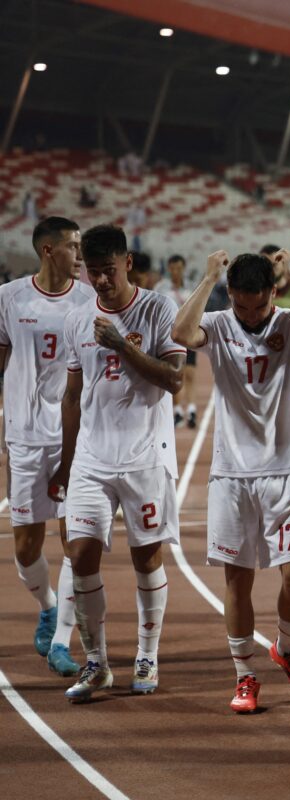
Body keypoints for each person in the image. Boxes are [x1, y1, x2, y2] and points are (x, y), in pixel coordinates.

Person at [172, 247, 290, 712]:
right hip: (232, 473)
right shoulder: (222, 322)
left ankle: (286, 648)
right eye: (242, 305)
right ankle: (245, 675)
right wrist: (208, 280)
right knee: (237, 579)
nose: (250, 316)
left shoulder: (289, 322)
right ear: (232, 296)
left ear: (273, 292)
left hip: (285, 470)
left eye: (259, 305)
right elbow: (181, 333)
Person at [52, 224, 186, 702]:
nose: (101, 281)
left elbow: (174, 380)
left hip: (145, 457)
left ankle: (147, 655)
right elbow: (72, 394)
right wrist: (65, 464)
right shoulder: (76, 319)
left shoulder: (157, 308)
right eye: (93, 272)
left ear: (127, 263)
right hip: (91, 456)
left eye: (108, 270)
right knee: (80, 554)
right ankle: (97, 663)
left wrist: (124, 345)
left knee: (146, 558)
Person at [0, 216, 94, 677]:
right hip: (23, 436)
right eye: (73, 246)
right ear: (48, 250)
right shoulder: (8, 298)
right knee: (24, 547)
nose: (80, 254)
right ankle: (48, 605)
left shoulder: (88, 299)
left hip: (72, 435)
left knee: (75, 543)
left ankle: (62, 641)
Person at [159, 254, 199, 427]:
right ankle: (177, 412)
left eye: (179, 268)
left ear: (184, 268)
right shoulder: (160, 288)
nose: (176, 271)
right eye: (173, 268)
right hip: (169, 337)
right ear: (168, 268)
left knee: (189, 374)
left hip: (188, 334)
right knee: (175, 374)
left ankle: (191, 410)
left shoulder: (192, 287)